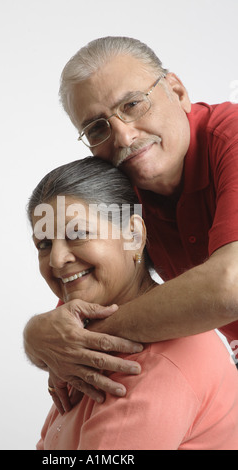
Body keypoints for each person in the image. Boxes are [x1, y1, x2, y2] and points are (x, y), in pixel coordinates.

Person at [23, 36, 238, 409]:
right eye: (96, 128)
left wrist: (81, 341)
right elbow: (86, 294)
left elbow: (230, 286)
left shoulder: (231, 139)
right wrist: (36, 336)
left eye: (133, 104)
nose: (124, 135)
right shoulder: (127, 190)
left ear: (177, 91)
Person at [28, 157, 238, 450]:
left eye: (77, 233)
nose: (56, 259)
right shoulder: (76, 348)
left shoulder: (158, 364)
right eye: (44, 244)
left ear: (133, 236)